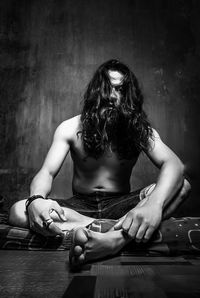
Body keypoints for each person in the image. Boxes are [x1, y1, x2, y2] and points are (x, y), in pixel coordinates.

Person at [9, 59, 191, 268]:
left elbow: (174, 165)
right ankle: (114, 230)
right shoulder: (69, 127)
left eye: (120, 90)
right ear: (96, 91)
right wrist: (36, 199)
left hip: (122, 205)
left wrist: (153, 205)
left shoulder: (139, 129)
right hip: (80, 208)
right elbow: (47, 173)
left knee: (182, 185)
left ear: (128, 96)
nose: (113, 97)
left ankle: (113, 240)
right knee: (18, 210)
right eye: (108, 89)